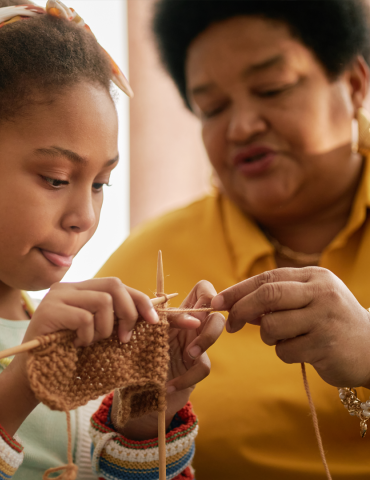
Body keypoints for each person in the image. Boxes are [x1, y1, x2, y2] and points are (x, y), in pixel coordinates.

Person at [0, 0, 226, 478]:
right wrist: (25, 383)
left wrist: (148, 419)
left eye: (99, 183)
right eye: (54, 178)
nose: (84, 217)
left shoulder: (87, 343)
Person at [97, 0, 370, 478]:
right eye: (213, 108)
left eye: (272, 88)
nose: (242, 127)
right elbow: (78, 450)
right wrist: (140, 421)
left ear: (353, 83)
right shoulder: (142, 266)